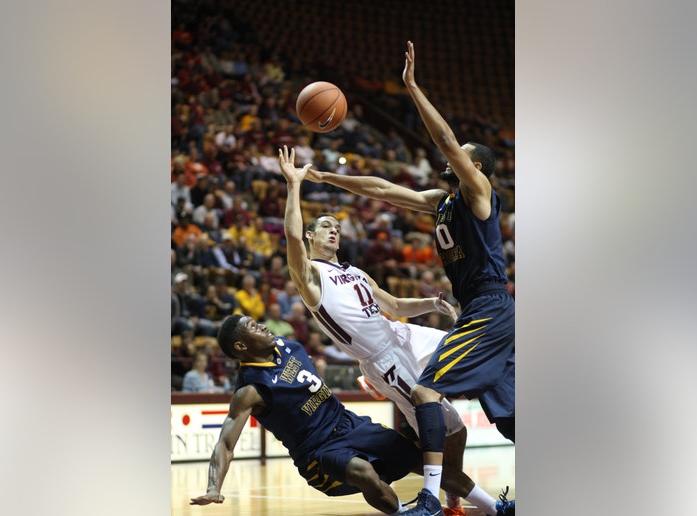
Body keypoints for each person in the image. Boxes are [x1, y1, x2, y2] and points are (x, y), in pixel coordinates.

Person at [295, 41, 516, 516]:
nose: (451, 160)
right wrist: (328, 180)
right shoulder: (442, 199)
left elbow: (446, 142)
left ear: (475, 167)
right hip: (479, 311)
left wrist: (413, 89)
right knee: (511, 416)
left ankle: (434, 499)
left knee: (425, 391)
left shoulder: (479, 192)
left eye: (462, 157)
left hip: (490, 307)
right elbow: (384, 190)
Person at [190, 314, 478, 515]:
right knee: (363, 471)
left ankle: (493, 506)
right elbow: (225, 444)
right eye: (253, 326)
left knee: (422, 456)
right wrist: (213, 487)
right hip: (317, 452)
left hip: (347, 423)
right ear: (241, 347)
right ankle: (404, 514)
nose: (263, 326)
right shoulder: (250, 390)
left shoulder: (287, 345)